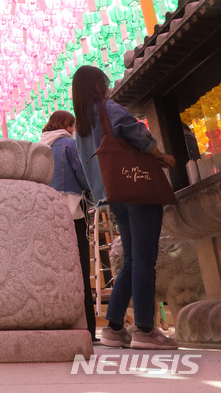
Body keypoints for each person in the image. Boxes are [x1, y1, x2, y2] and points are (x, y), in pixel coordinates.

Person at [72, 65, 177, 351]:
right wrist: (162, 156)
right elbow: (136, 134)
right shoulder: (107, 108)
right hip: (137, 188)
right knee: (144, 259)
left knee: (132, 259)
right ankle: (145, 329)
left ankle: (115, 326)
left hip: (113, 194)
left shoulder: (80, 126)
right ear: (96, 85)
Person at [39, 110, 97, 342]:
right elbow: (85, 178)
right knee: (81, 270)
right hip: (73, 213)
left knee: (52, 271)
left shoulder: (39, 149)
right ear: (69, 125)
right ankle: (87, 330)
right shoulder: (69, 145)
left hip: (46, 215)